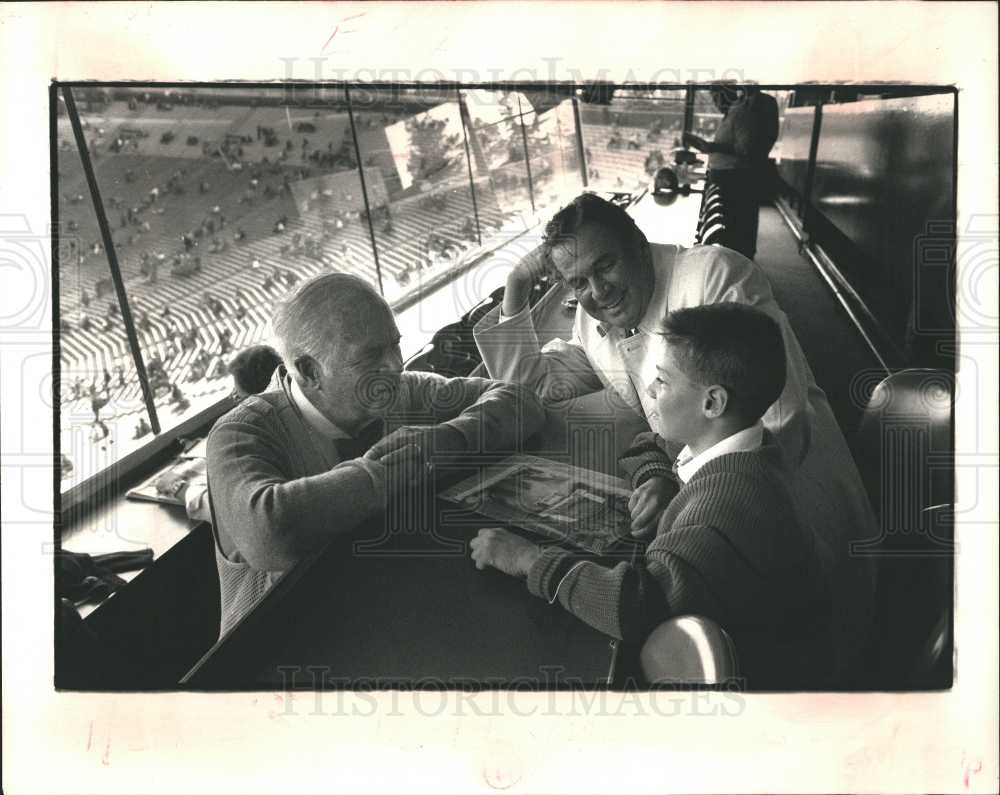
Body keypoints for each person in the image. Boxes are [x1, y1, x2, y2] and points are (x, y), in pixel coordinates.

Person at [473, 193, 877, 682]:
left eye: (606, 266)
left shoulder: (713, 276)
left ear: (639, 246)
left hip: (794, 509)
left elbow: (778, 420)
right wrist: (516, 288)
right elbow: (539, 390)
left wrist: (679, 492)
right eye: (577, 281)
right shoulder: (592, 314)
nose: (597, 291)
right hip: (703, 508)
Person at [472, 304, 831, 687]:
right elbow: (649, 442)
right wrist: (658, 477)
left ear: (712, 403)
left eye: (662, 381)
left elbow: (639, 607)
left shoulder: (724, 506)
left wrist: (526, 558)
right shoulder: (743, 444)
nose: (649, 389)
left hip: (759, 688)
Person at [207, 273, 545, 636]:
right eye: (371, 356)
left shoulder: (399, 392)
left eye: (395, 345)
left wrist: (449, 439)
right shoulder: (240, 433)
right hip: (280, 648)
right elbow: (270, 533)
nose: (397, 364)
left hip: (384, 614)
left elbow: (520, 402)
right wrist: (397, 468)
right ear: (309, 371)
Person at [683, 86, 779, 259]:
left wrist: (710, 147)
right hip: (726, 177)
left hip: (734, 180)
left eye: (717, 96)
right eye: (713, 98)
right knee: (729, 233)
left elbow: (745, 148)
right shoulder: (733, 113)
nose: (716, 102)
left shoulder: (742, 113)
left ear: (729, 93)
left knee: (734, 234)